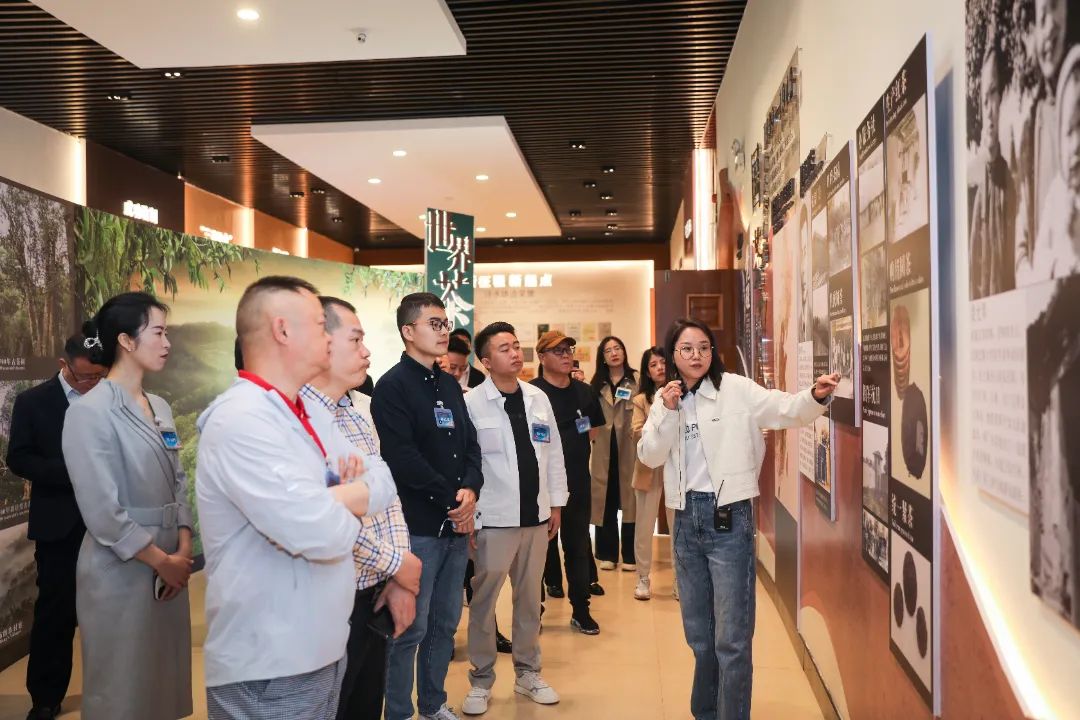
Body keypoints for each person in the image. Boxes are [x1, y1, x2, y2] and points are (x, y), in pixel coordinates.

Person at [197, 276, 393, 720]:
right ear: (283, 330)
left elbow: (382, 478)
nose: (329, 338)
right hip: (271, 662)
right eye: (320, 326)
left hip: (318, 647)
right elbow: (320, 535)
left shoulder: (302, 413)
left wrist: (331, 498)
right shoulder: (242, 420)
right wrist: (347, 503)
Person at [637, 318, 838, 720]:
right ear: (672, 355)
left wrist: (814, 396)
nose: (697, 355)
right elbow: (650, 455)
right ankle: (705, 712)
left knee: (731, 639)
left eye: (704, 347)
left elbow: (784, 409)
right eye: (687, 349)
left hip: (728, 518)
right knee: (699, 635)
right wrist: (669, 412)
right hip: (685, 521)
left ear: (712, 352)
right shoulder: (666, 398)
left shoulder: (735, 389)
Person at [59, 293, 194, 720]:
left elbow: (179, 480)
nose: (167, 343)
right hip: (123, 569)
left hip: (170, 564)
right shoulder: (89, 412)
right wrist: (162, 562)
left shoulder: (160, 406)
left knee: (162, 685)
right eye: (159, 332)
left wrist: (183, 549)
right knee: (122, 689)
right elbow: (102, 510)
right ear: (126, 340)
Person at [298, 296, 422, 720]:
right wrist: (399, 564)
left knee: (365, 705)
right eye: (356, 340)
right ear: (321, 343)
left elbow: (388, 501)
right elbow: (321, 518)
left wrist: (399, 574)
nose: (367, 352)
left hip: (373, 592)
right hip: (326, 599)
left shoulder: (353, 414)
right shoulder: (295, 421)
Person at [373, 292, 484, 720]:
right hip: (416, 526)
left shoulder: (448, 383)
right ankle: (399, 712)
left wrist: (470, 489)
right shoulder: (392, 387)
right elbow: (402, 458)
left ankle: (433, 704)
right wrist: (451, 498)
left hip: (456, 524)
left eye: (445, 324)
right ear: (408, 331)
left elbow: (470, 445)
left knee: (444, 623)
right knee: (409, 628)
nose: (443, 332)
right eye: (434, 324)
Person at [460, 323, 567, 715]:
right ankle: (481, 680)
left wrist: (555, 504)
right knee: (484, 604)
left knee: (529, 602)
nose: (515, 353)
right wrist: (471, 518)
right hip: (493, 520)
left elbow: (553, 454)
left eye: (517, 346)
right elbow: (466, 464)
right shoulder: (472, 403)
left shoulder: (537, 397)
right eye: (504, 348)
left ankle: (528, 673)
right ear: (486, 361)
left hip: (535, 518)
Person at [6, 336, 105, 720]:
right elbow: (18, 457)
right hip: (59, 524)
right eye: (85, 377)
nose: (92, 384)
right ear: (65, 365)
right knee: (55, 614)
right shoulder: (33, 402)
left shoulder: (111, 398)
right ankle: (45, 698)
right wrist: (71, 473)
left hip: (108, 523)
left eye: (99, 376)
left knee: (112, 612)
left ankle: (113, 692)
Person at [531, 330, 606, 633]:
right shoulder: (531, 393)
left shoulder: (584, 392)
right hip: (540, 486)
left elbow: (593, 430)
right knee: (537, 551)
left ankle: (581, 610)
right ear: (542, 357)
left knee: (577, 546)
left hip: (577, 481)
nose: (566, 356)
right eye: (558, 351)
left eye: (569, 350)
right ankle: (534, 611)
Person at [970, 47, 1018, 300]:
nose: (989, 110)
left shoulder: (1014, 179)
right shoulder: (977, 186)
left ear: (1004, 95)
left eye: (994, 94)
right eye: (984, 100)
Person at [590, 335, 638, 572]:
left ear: (624, 352)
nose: (614, 353)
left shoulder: (637, 379)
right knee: (604, 501)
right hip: (603, 449)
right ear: (603, 358)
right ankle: (607, 553)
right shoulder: (596, 384)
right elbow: (586, 417)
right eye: (608, 350)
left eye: (617, 348)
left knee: (631, 501)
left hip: (629, 449)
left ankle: (630, 555)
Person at [630, 347, 669, 602]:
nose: (660, 368)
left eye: (663, 362)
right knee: (644, 526)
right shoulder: (641, 399)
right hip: (648, 468)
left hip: (677, 467)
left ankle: (681, 580)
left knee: (680, 527)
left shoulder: (683, 392)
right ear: (647, 371)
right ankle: (643, 578)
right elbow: (636, 432)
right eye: (653, 365)